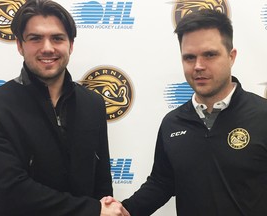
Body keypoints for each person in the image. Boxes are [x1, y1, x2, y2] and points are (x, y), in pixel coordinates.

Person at [105, 9, 267, 215]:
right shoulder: (173, 123)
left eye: (209, 55)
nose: (198, 66)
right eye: (189, 57)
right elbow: (162, 183)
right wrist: (124, 210)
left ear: (231, 56)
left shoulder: (262, 116)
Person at [0, 0, 128, 215]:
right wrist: (92, 210)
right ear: (20, 45)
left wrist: (104, 207)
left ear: (71, 44)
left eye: (57, 38)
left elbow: (102, 183)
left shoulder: (93, 103)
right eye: (35, 38)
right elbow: (10, 190)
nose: (47, 48)